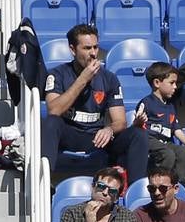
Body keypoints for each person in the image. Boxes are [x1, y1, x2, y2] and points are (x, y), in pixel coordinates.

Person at [42, 23, 149, 184]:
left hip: (97, 138)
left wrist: (109, 129)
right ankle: (44, 181)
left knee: (138, 134)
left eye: (95, 47)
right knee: (51, 122)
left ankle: (136, 192)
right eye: (86, 48)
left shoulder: (109, 78)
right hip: (69, 134)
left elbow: (120, 121)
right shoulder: (57, 74)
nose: (93, 53)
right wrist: (83, 79)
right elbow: (54, 110)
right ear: (73, 49)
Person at [134, 61, 185, 185]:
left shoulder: (170, 106)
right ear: (157, 83)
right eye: (172, 83)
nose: (175, 87)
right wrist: (138, 121)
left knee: (183, 152)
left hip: (165, 142)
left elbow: (176, 129)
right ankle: (160, 184)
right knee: (167, 154)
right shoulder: (146, 103)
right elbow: (137, 125)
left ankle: (180, 186)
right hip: (149, 140)